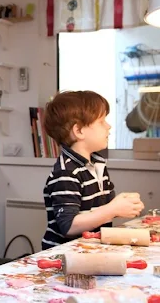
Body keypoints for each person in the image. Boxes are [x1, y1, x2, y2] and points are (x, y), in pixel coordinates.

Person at [41, 91, 145, 250]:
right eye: (102, 121)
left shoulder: (98, 164)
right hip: (64, 256)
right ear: (79, 131)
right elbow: (69, 226)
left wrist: (123, 205)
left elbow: (99, 211)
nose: (108, 126)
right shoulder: (66, 172)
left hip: (90, 251)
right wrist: (113, 209)